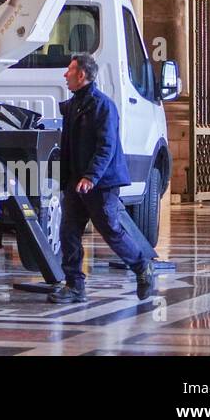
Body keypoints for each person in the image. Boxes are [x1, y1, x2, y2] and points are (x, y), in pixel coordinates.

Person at [49, 53, 156, 304]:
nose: (65, 74)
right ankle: (75, 285)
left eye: (69, 70)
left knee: (111, 231)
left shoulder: (102, 106)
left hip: (100, 183)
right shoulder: (76, 104)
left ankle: (142, 268)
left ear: (82, 75)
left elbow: (106, 146)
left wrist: (91, 176)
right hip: (76, 182)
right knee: (69, 232)